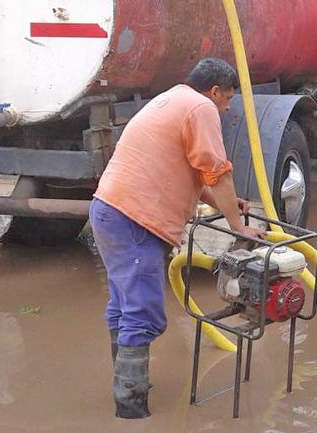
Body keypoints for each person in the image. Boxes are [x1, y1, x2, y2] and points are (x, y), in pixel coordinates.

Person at [90, 58, 266, 419]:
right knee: (144, 315)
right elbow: (216, 170)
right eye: (228, 98)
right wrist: (239, 227)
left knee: (123, 306)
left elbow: (194, 175)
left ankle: (125, 385)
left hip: (108, 210)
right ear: (214, 91)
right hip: (134, 220)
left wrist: (228, 205)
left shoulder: (172, 99)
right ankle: (130, 407)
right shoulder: (201, 108)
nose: (228, 106)